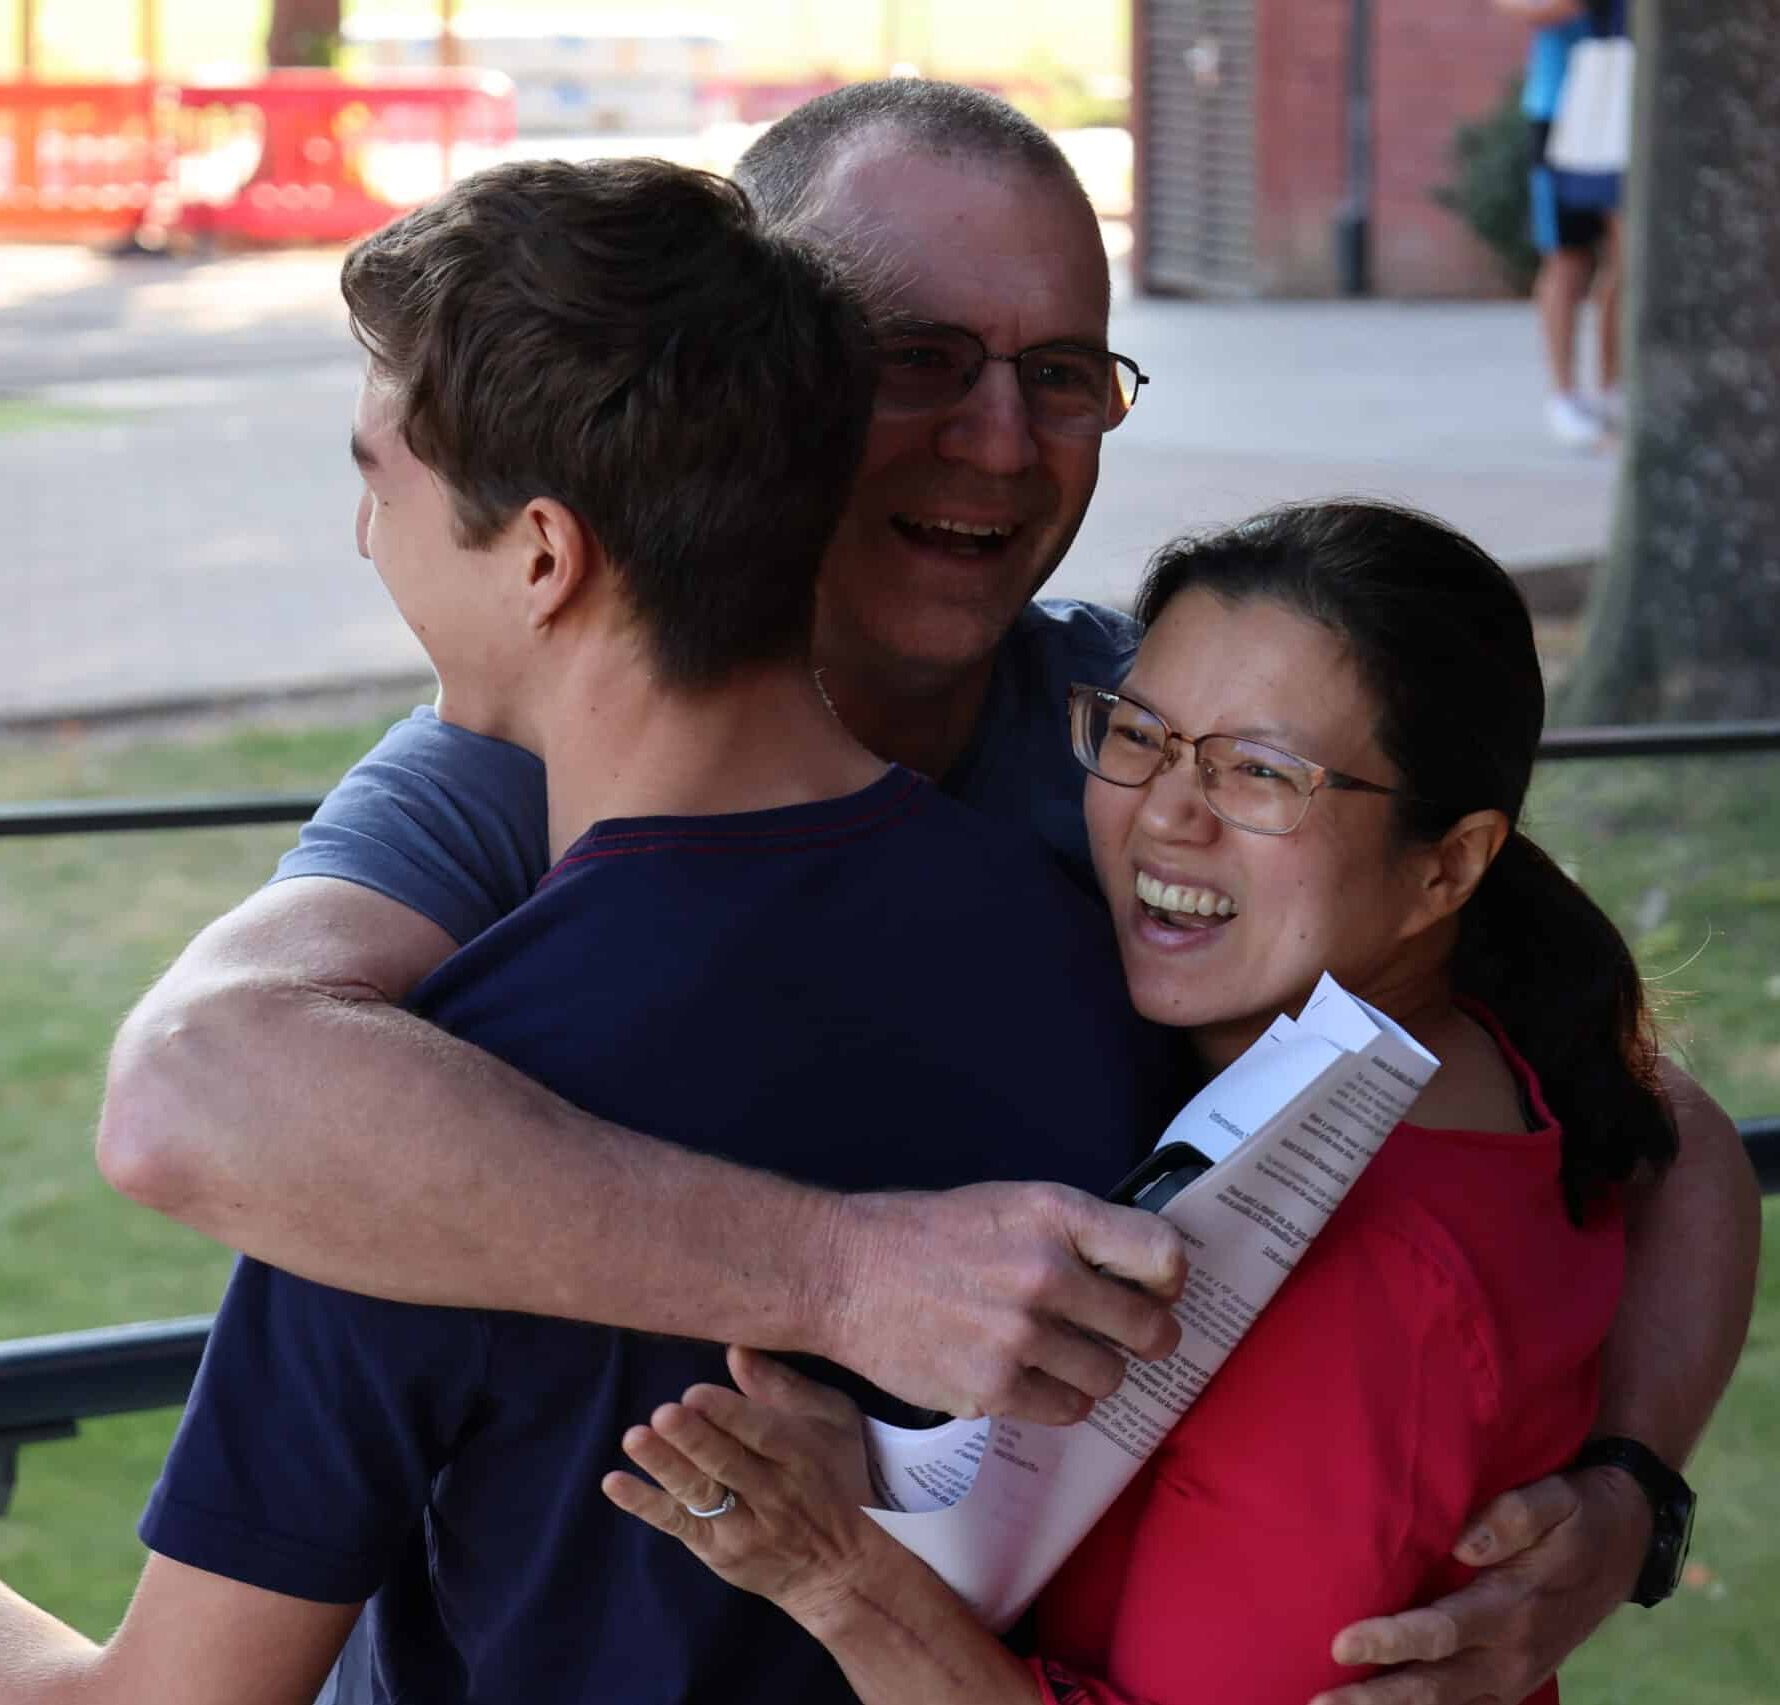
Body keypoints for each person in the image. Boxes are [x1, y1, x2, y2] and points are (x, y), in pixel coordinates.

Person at [93, 80, 1758, 1705]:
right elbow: (191, 1089)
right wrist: (847, 1272)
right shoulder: (500, 771)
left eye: (1063, 373)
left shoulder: (1159, 747)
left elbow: (1634, 1109)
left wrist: (1624, 1499)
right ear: (778, 390)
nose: (1002, 440)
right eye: (920, 361)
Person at [0, 156, 1181, 1703]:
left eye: (382, 482)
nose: (365, 537)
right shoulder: (1110, 965)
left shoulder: (414, 1125)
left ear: (546, 557)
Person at [603, 501, 1680, 1705]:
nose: (1166, 811)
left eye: (1260, 772)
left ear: (1449, 865)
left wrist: (833, 1571)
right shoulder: (1444, 1054)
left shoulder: (1368, 1275)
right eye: (1142, 734)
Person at [1498, 0, 1630, 449]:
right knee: (1567, 256)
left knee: (1631, 257)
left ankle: (1614, 389)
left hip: (1629, 110)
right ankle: (1564, 397)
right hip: (1560, 106)